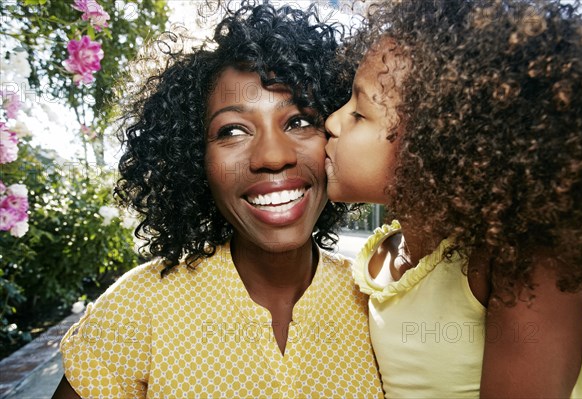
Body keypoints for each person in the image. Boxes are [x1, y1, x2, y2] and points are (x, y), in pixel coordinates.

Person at [52, 2, 384, 398]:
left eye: (298, 121)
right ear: (194, 158)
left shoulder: (379, 300)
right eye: (232, 131)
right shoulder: (137, 308)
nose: (272, 156)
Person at [324, 0, 582, 397]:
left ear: (434, 140)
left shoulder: (517, 263)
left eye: (358, 113)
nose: (332, 122)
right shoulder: (383, 256)